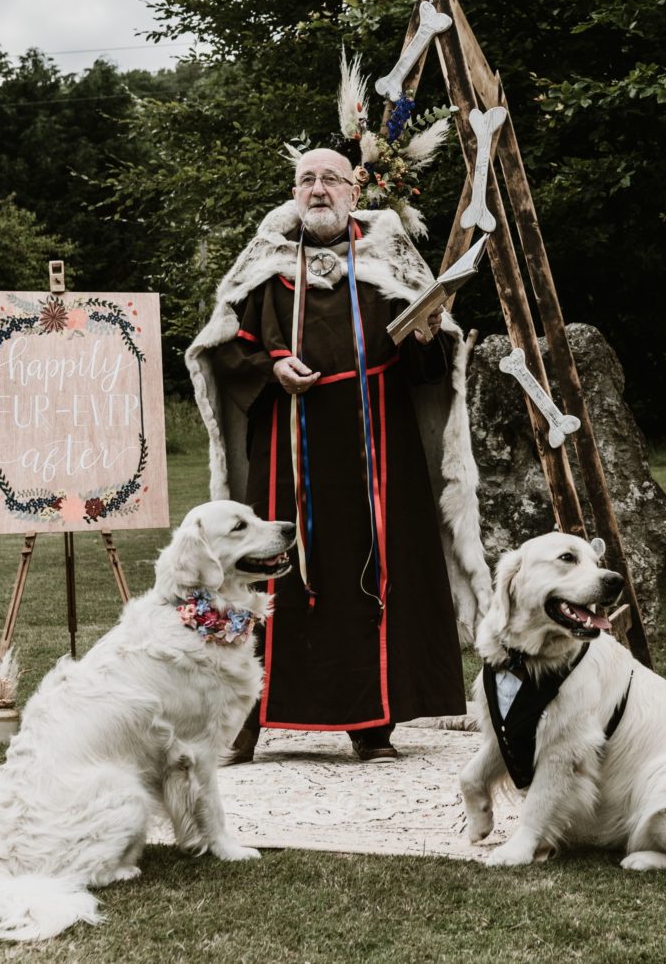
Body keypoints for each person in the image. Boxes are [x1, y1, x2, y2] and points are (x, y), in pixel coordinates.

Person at [185, 146, 490, 762]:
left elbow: (428, 369)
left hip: (376, 447)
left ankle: (372, 725)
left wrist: (427, 335)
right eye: (307, 180)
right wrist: (273, 366)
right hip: (285, 447)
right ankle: (248, 723)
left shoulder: (389, 259)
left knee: (375, 573)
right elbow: (223, 352)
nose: (318, 189)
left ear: (356, 191)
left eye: (331, 179)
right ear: (294, 192)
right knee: (267, 567)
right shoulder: (265, 264)